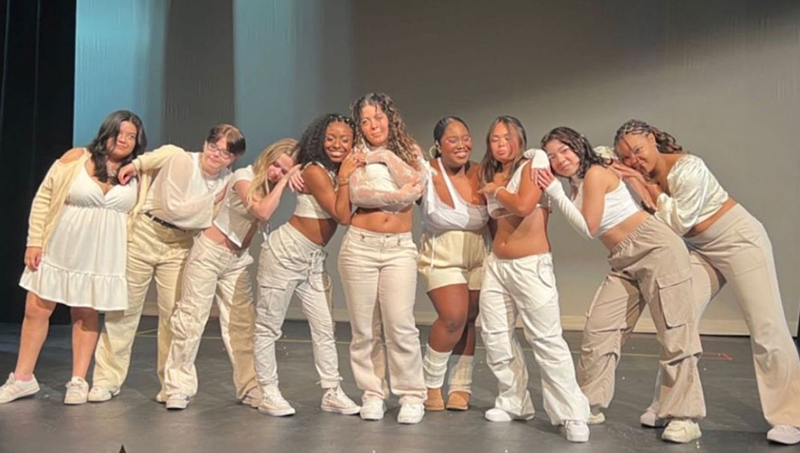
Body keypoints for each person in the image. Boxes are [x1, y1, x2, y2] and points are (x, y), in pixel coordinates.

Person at [613, 119, 800, 445]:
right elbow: (599, 156)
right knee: (677, 322)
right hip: (700, 249)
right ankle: (672, 405)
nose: (634, 160)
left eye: (638, 150)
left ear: (653, 139)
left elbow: (680, 222)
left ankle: (790, 417)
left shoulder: (689, 168)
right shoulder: (635, 172)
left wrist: (648, 188)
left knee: (767, 326)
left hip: (739, 240)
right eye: (626, 157)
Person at [536, 126, 706, 443]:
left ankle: (685, 416)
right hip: (622, 258)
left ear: (579, 146)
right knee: (600, 328)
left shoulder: (594, 174)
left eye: (565, 150)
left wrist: (555, 193)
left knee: (675, 330)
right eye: (552, 156)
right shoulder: (577, 182)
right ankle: (588, 402)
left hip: (656, 248)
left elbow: (589, 228)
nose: (560, 160)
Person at [89, 124, 244, 404]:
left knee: (176, 317)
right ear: (205, 143)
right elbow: (173, 209)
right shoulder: (181, 160)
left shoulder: (228, 181)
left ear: (233, 159)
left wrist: (204, 210)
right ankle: (105, 380)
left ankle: (173, 386)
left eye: (225, 153)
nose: (216, 155)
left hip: (182, 244)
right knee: (123, 312)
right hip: (146, 234)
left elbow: (206, 219)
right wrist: (211, 202)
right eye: (214, 147)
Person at [0, 110, 146, 405]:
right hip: (62, 244)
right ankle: (23, 378)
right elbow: (44, 198)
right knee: (37, 308)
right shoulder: (76, 158)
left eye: (131, 136)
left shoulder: (139, 175)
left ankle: (78, 380)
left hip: (103, 254)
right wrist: (34, 241)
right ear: (106, 132)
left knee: (86, 313)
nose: (123, 140)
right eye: (119, 133)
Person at [161, 138, 301, 410]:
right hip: (209, 253)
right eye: (275, 165)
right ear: (267, 156)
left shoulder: (268, 186)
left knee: (242, 326)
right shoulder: (243, 176)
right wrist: (286, 181)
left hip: (237, 260)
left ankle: (249, 387)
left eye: (285, 170)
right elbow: (261, 211)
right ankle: (177, 387)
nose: (277, 173)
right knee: (191, 320)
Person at [477, 116, 590, 442]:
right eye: (495, 138)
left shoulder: (534, 161)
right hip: (497, 264)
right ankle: (513, 401)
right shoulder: (494, 173)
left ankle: (571, 413)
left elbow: (525, 206)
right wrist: (497, 189)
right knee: (495, 335)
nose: (501, 144)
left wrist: (497, 191)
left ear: (521, 140)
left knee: (546, 339)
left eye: (507, 137)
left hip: (530, 265)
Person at [254, 115, 361, 417]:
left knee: (325, 327)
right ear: (319, 140)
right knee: (268, 326)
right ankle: (268, 391)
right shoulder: (314, 170)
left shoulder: (332, 170)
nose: (337, 145)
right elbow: (342, 215)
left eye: (345, 139)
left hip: (313, 259)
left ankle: (332, 391)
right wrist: (345, 177)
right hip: (285, 253)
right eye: (331, 138)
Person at [337, 92, 427, 424]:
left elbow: (417, 186)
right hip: (361, 246)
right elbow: (359, 194)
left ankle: (411, 395)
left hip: (398, 248)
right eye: (365, 120)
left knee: (401, 324)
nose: (373, 125)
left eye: (378, 117)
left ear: (390, 117)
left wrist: (386, 156)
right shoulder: (355, 155)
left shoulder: (409, 151)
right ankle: (372, 393)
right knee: (364, 329)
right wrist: (399, 194)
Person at [418, 117, 487, 411]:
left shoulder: (482, 172)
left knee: (469, 319)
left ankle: (461, 387)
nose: (462, 145)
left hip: (479, 256)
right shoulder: (426, 171)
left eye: (466, 138)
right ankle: (430, 385)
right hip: (442, 256)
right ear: (438, 145)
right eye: (452, 139)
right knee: (453, 317)